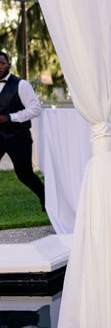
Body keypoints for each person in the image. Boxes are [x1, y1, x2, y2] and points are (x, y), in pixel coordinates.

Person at [0, 51, 46, 211]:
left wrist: (10, 117)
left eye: (2, 63)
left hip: (18, 136)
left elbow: (35, 109)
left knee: (24, 174)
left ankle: (46, 198)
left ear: (9, 65)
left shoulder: (21, 85)